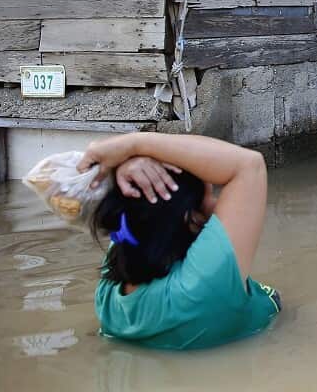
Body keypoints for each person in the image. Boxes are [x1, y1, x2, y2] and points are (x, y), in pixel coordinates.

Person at [79, 133, 279, 350]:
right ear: (189, 219)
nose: (216, 204)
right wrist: (134, 144)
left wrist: (127, 165)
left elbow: (126, 207)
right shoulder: (200, 287)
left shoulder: (109, 291)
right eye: (209, 198)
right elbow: (249, 164)